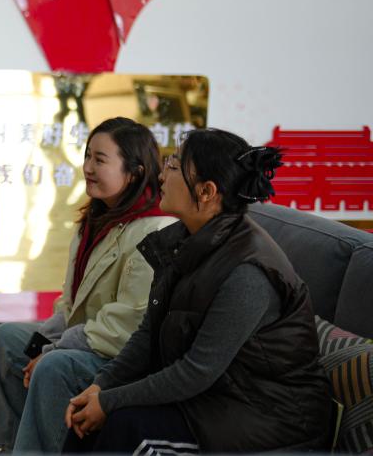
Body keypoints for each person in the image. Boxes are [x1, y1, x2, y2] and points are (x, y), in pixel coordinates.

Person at [64, 128, 332, 453]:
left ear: (206, 192)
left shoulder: (248, 272)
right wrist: (101, 386)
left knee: (124, 425)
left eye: (174, 166)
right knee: (85, 423)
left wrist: (110, 402)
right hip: (215, 399)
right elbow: (148, 335)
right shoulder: (181, 241)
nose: (162, 174)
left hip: (274, 418)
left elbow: (197, 371)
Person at [0, 117, 174, 453]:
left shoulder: (154, 230)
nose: (88, 168)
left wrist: (52, 350)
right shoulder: (96, 220)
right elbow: (69, 303)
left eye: (100, 159)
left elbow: (126, 326)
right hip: (85, 339)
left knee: (52, 366)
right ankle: (7, 447)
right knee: (7, 340)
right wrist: (44, 341)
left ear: (135, 172)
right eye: (87, 156)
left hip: (118, 356)